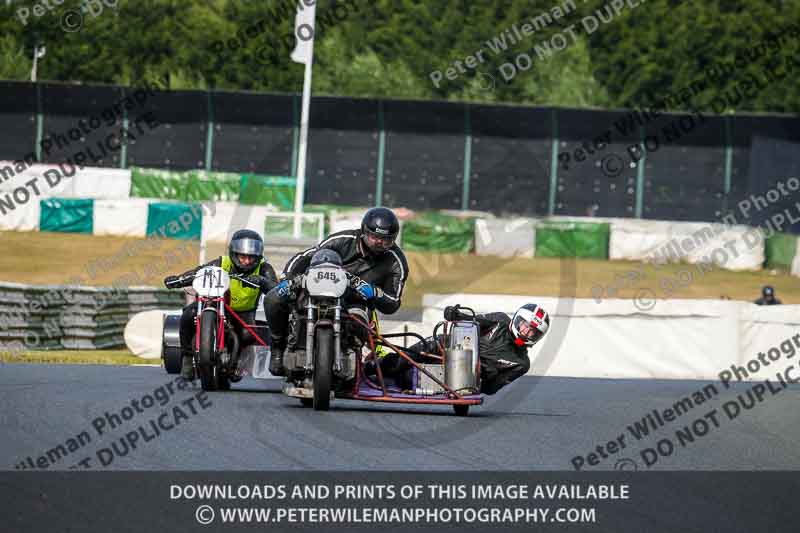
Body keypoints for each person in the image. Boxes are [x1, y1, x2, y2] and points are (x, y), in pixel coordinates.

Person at [264, 207, 409, 375]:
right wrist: (288, 278)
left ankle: (350, 358)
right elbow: (305, 256)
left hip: (355, 302)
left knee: (359, 322)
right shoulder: (342, 240)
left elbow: (393, 302)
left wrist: (375, 292)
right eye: (375, 236)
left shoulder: (396, 262)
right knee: (273, 298)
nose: (379, 242)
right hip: (317, 290)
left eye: (386, 239)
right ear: (364, 232)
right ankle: (277, 347)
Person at [163, 229, 278, 380]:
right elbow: (199, 272)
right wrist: (178, 279)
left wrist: (263, 281)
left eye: (251, 258)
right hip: (215, 304)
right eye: (243, 257)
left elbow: (277, 291)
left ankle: (235, 363)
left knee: (248, 335)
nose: (247, 261)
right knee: (188, 315)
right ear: (234, 254)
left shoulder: (264, 268)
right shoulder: (222, 262)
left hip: (244, 312)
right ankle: (187, 356)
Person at [378, 303, 550, 395]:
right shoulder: (500, 320)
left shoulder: (521, 363)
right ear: (518, 319)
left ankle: (395, 377)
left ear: (537, 337)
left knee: (407, 378)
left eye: (533, 332)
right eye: (525, 326)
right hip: (448, 347)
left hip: (462, 377)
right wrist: (454, 314)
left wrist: (486, 374)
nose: (526, 332)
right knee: (405, 358)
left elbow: (491, 389)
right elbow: (472, 320)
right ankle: (375, 366)